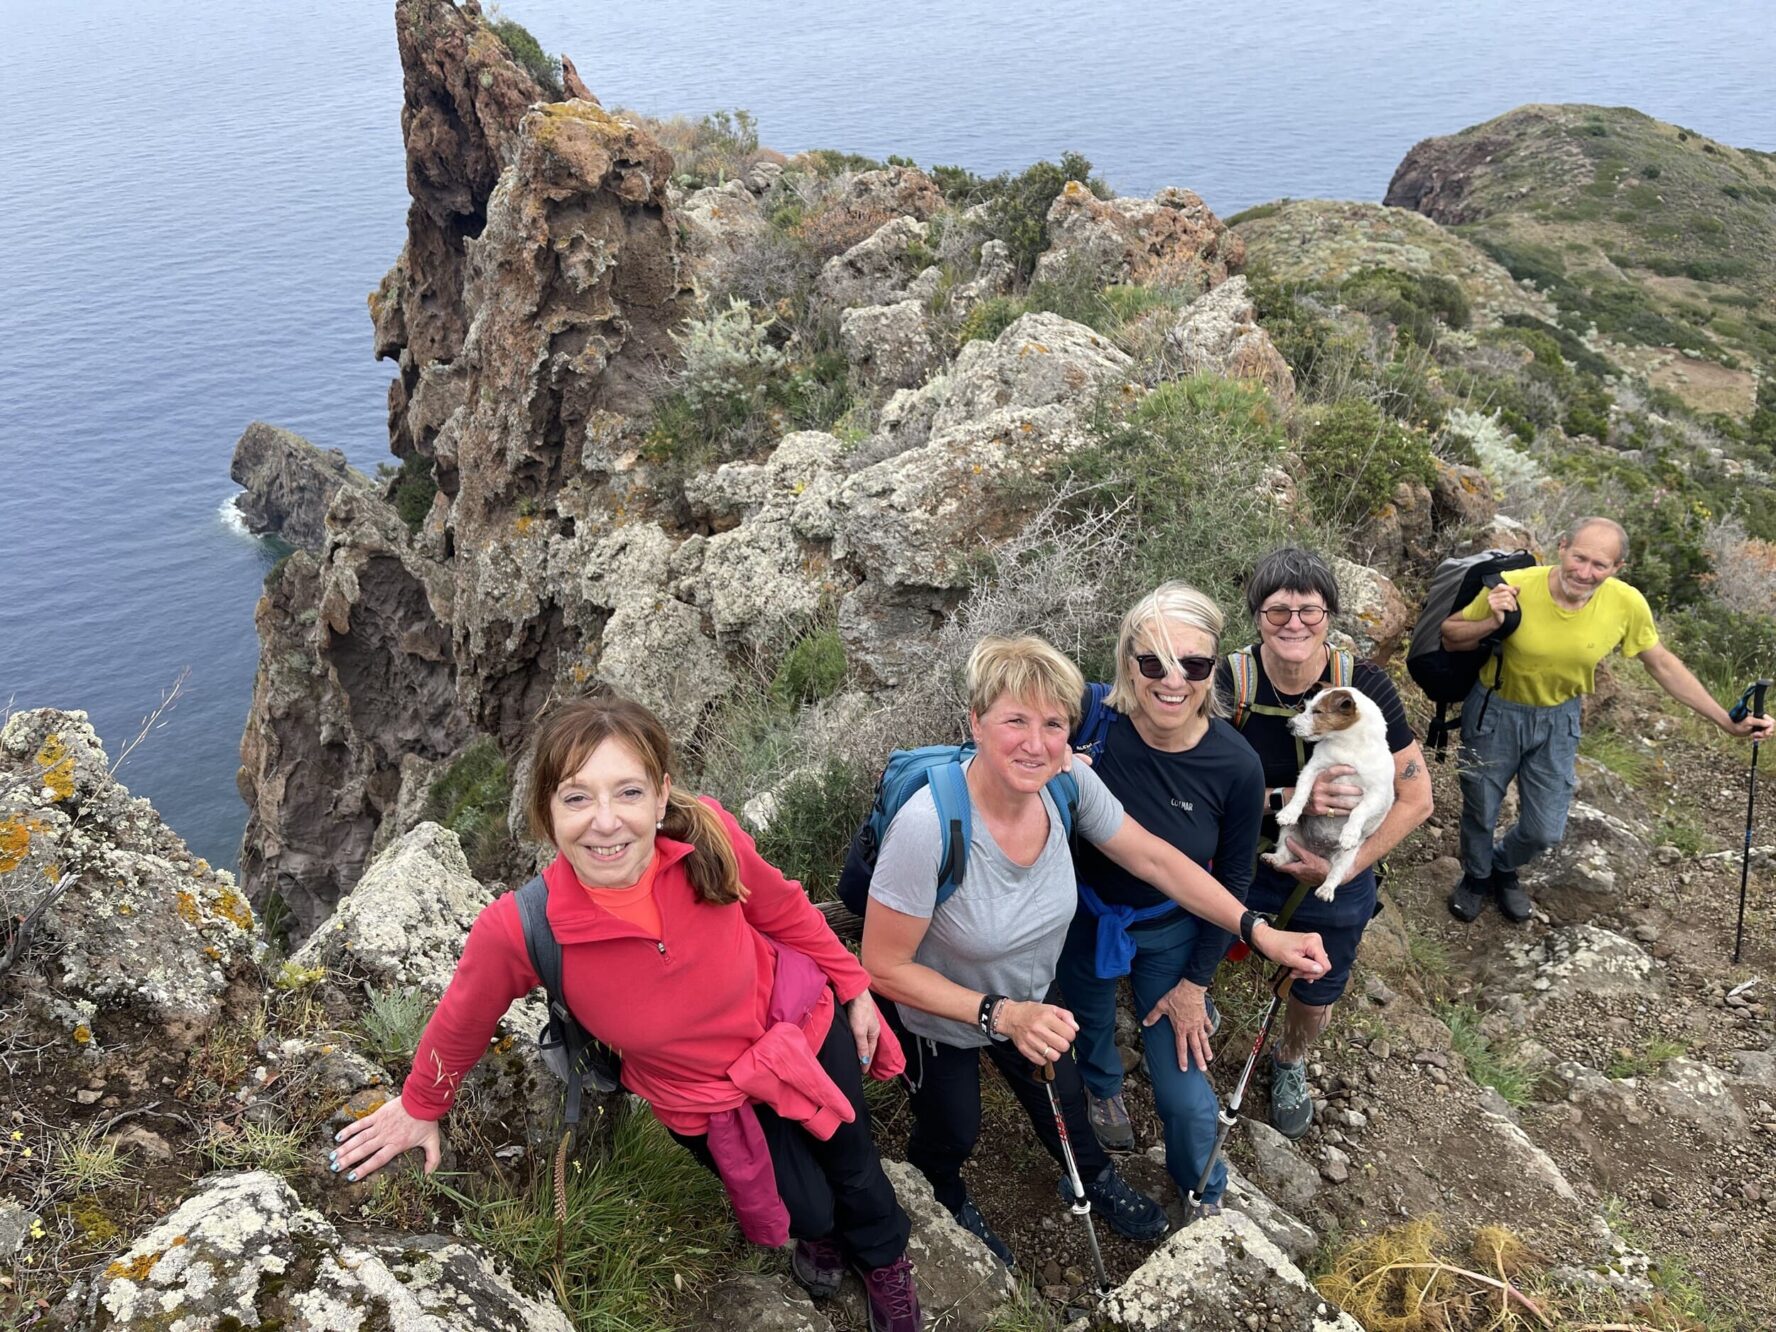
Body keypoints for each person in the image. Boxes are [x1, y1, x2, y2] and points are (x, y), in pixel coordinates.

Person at [329, 695, 921, 1332]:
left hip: (799, 1028)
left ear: (661, 797)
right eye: (577, 797)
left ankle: (884, 1261)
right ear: (546, 812)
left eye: (628, 792)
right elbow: (463, 1018)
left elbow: (782, 909)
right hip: (700, 1099)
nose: (605, 822)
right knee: (802, 1207)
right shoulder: (525, 928)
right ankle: (820, 1232)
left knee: (854, 1166)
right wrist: (420, 1106)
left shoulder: (706, 836)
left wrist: (854, 986)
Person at [861, 634, 1329, 1262]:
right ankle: (944, 1192)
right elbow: (883, 965)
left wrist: (1259, 931)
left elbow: (1157, 859)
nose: (1036, 742)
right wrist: (1000, 1016)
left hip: (1032, 992)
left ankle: (1092, 1176)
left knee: (1066, 1094)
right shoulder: (929, 826)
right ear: (975, 722)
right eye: (1015, 721)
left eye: (1053, 723)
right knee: (954, 1126)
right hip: (940, 1013)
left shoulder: (1068, 785)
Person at [1443, 517, 1774, 923]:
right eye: (1579, 557)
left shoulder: (1625, 603)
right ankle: (1476, 877)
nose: (1585, 572)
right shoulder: (1513, 584)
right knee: (1481, 806)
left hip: (1559, 717)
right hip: (1495, 706)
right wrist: (1491, 621)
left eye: (1600, 565)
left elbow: (1663, 665)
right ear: (1562, 547)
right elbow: (1450, 636)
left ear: (1617, 568)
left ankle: (1503, 865)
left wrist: (1725, 720)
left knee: (1545, 828)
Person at [1054, 583, 1263, 1217]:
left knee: (1183, 1090)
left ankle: (1201, 1186)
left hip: (1173, 930)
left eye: (1194, 665)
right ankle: (1103, 1088)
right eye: (1153, 663)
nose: (1173, 681)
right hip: (1083, 918)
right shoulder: (1092, 718)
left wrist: (1196, 983)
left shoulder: (1236, 765)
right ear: (1127, 662)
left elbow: (1232, 880)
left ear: (1213, 670)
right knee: (1088, 1021)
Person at [1215, 548, 1433, 1139]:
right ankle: (1199, 994)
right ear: (1256, 615)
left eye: (1309, 610)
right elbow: (1196, 785)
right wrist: (1291, 797)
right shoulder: (1227, 683)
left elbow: (1416, 798)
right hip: (1237, 853)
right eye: (1277, 610)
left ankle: (1289, 1058)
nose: (1294, 623)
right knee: (1200, 941)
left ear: (1330, 615)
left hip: (1337, 860)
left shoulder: (1363, 689)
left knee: (1316, 985)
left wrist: (1344, 864)